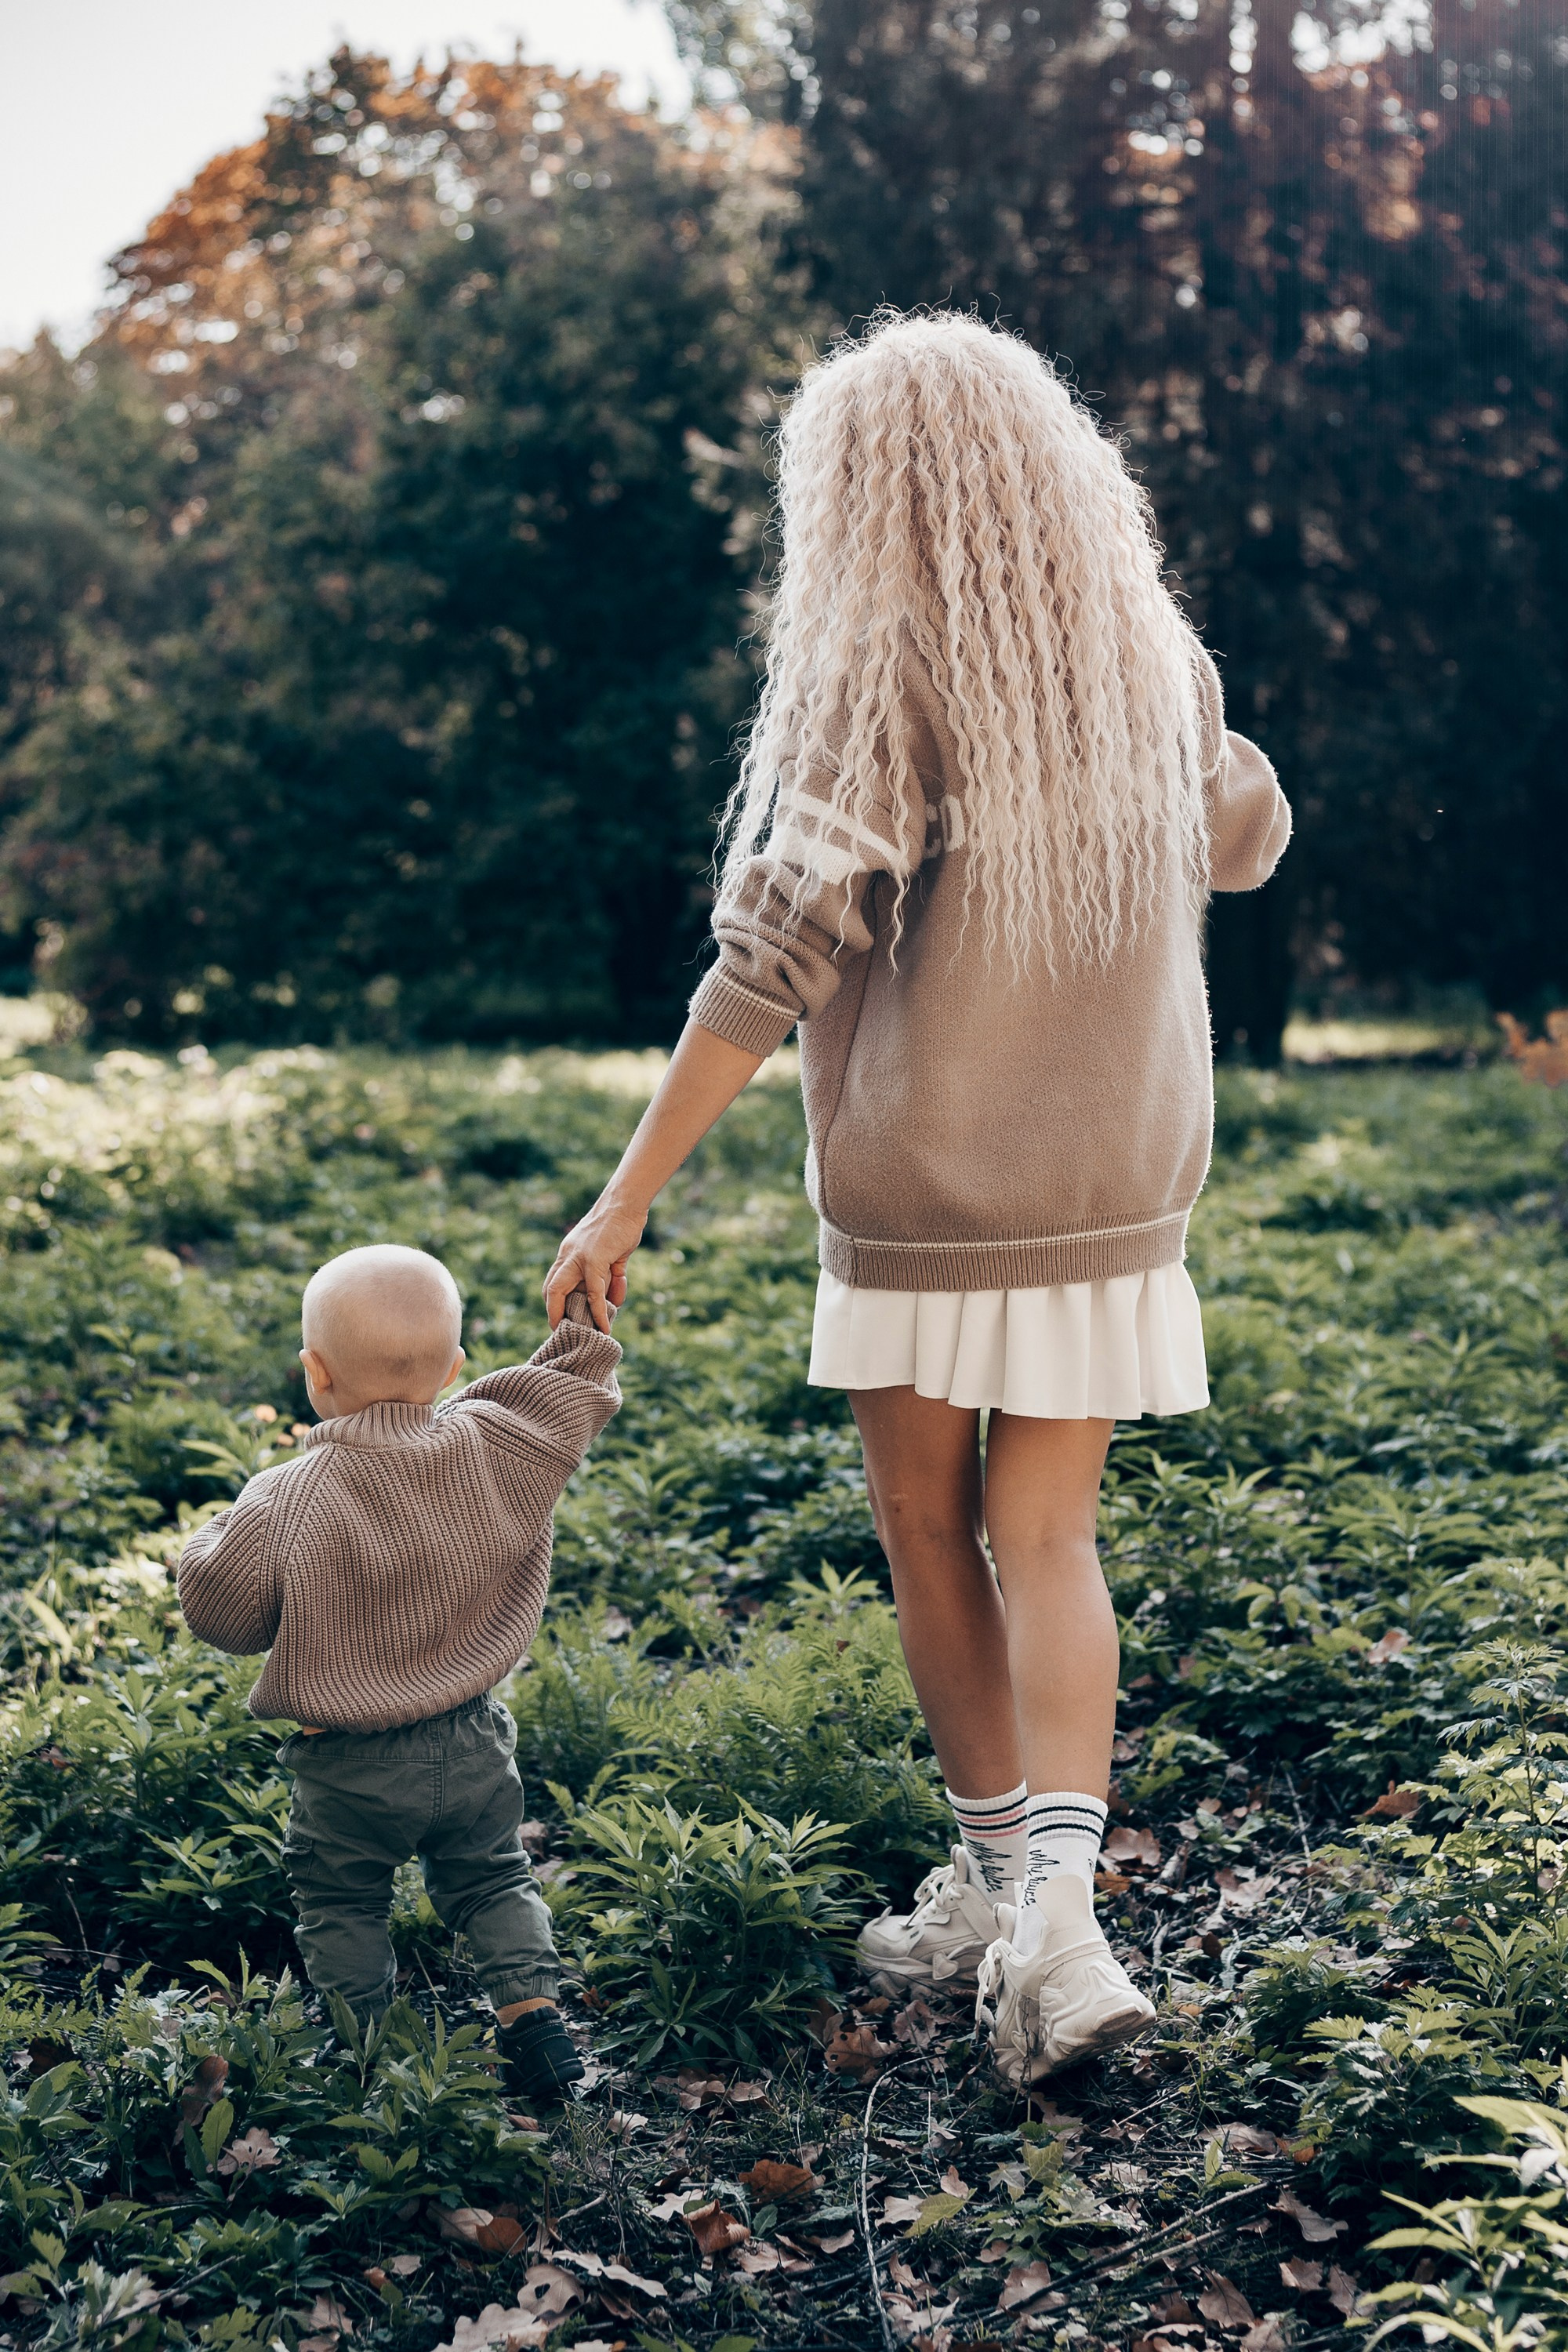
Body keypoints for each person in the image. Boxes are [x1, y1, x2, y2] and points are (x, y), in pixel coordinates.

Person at [543, 310, 1290, 2086]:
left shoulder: (884, 657)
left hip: (929, 1186)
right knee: (1050, 1533)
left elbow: (775, 950)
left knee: (922, 1517)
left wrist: (622, 1195)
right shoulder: (1137, 650)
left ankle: (993, 1882)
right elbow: (1242, 832)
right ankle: (1064, 1919)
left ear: (866, 491)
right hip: (1115, 1182)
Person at [176, 1242, 621, 2103]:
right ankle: (532, 2015)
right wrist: (580, 1313)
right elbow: (571, 1391)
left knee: (343, 1904)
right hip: (471, 1741)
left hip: (345, 1769)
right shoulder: (496, 1444)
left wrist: (207, 1537)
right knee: (491, 1876)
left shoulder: (285, 1497)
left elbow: (221, 1616)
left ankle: (364, 2050)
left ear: (314, 1373)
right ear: (455, 1368)